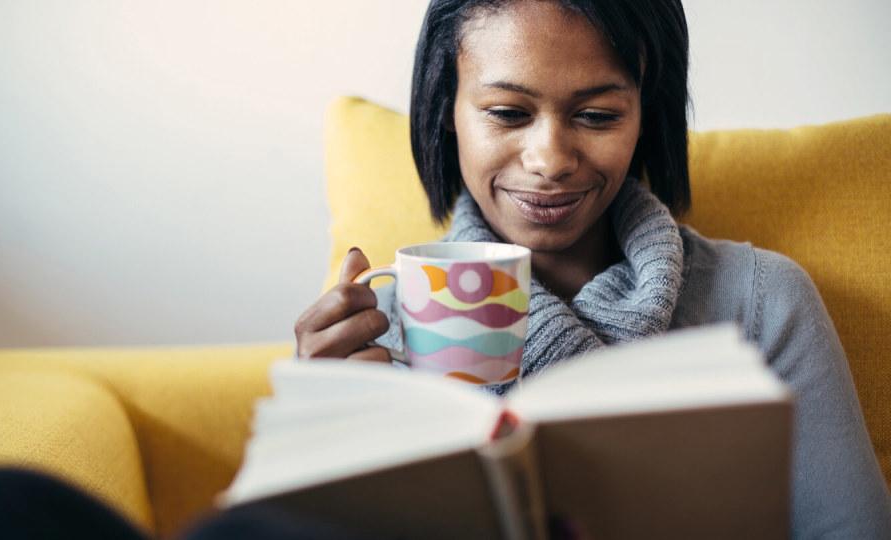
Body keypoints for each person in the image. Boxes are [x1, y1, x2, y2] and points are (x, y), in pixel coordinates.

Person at [293, 0, 891, 538]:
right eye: (506, 111)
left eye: (598, 116)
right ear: (447, 108)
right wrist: (317, 437)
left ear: (643, 115)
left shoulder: (761, 303)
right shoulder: (378, 338)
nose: (549, 160)